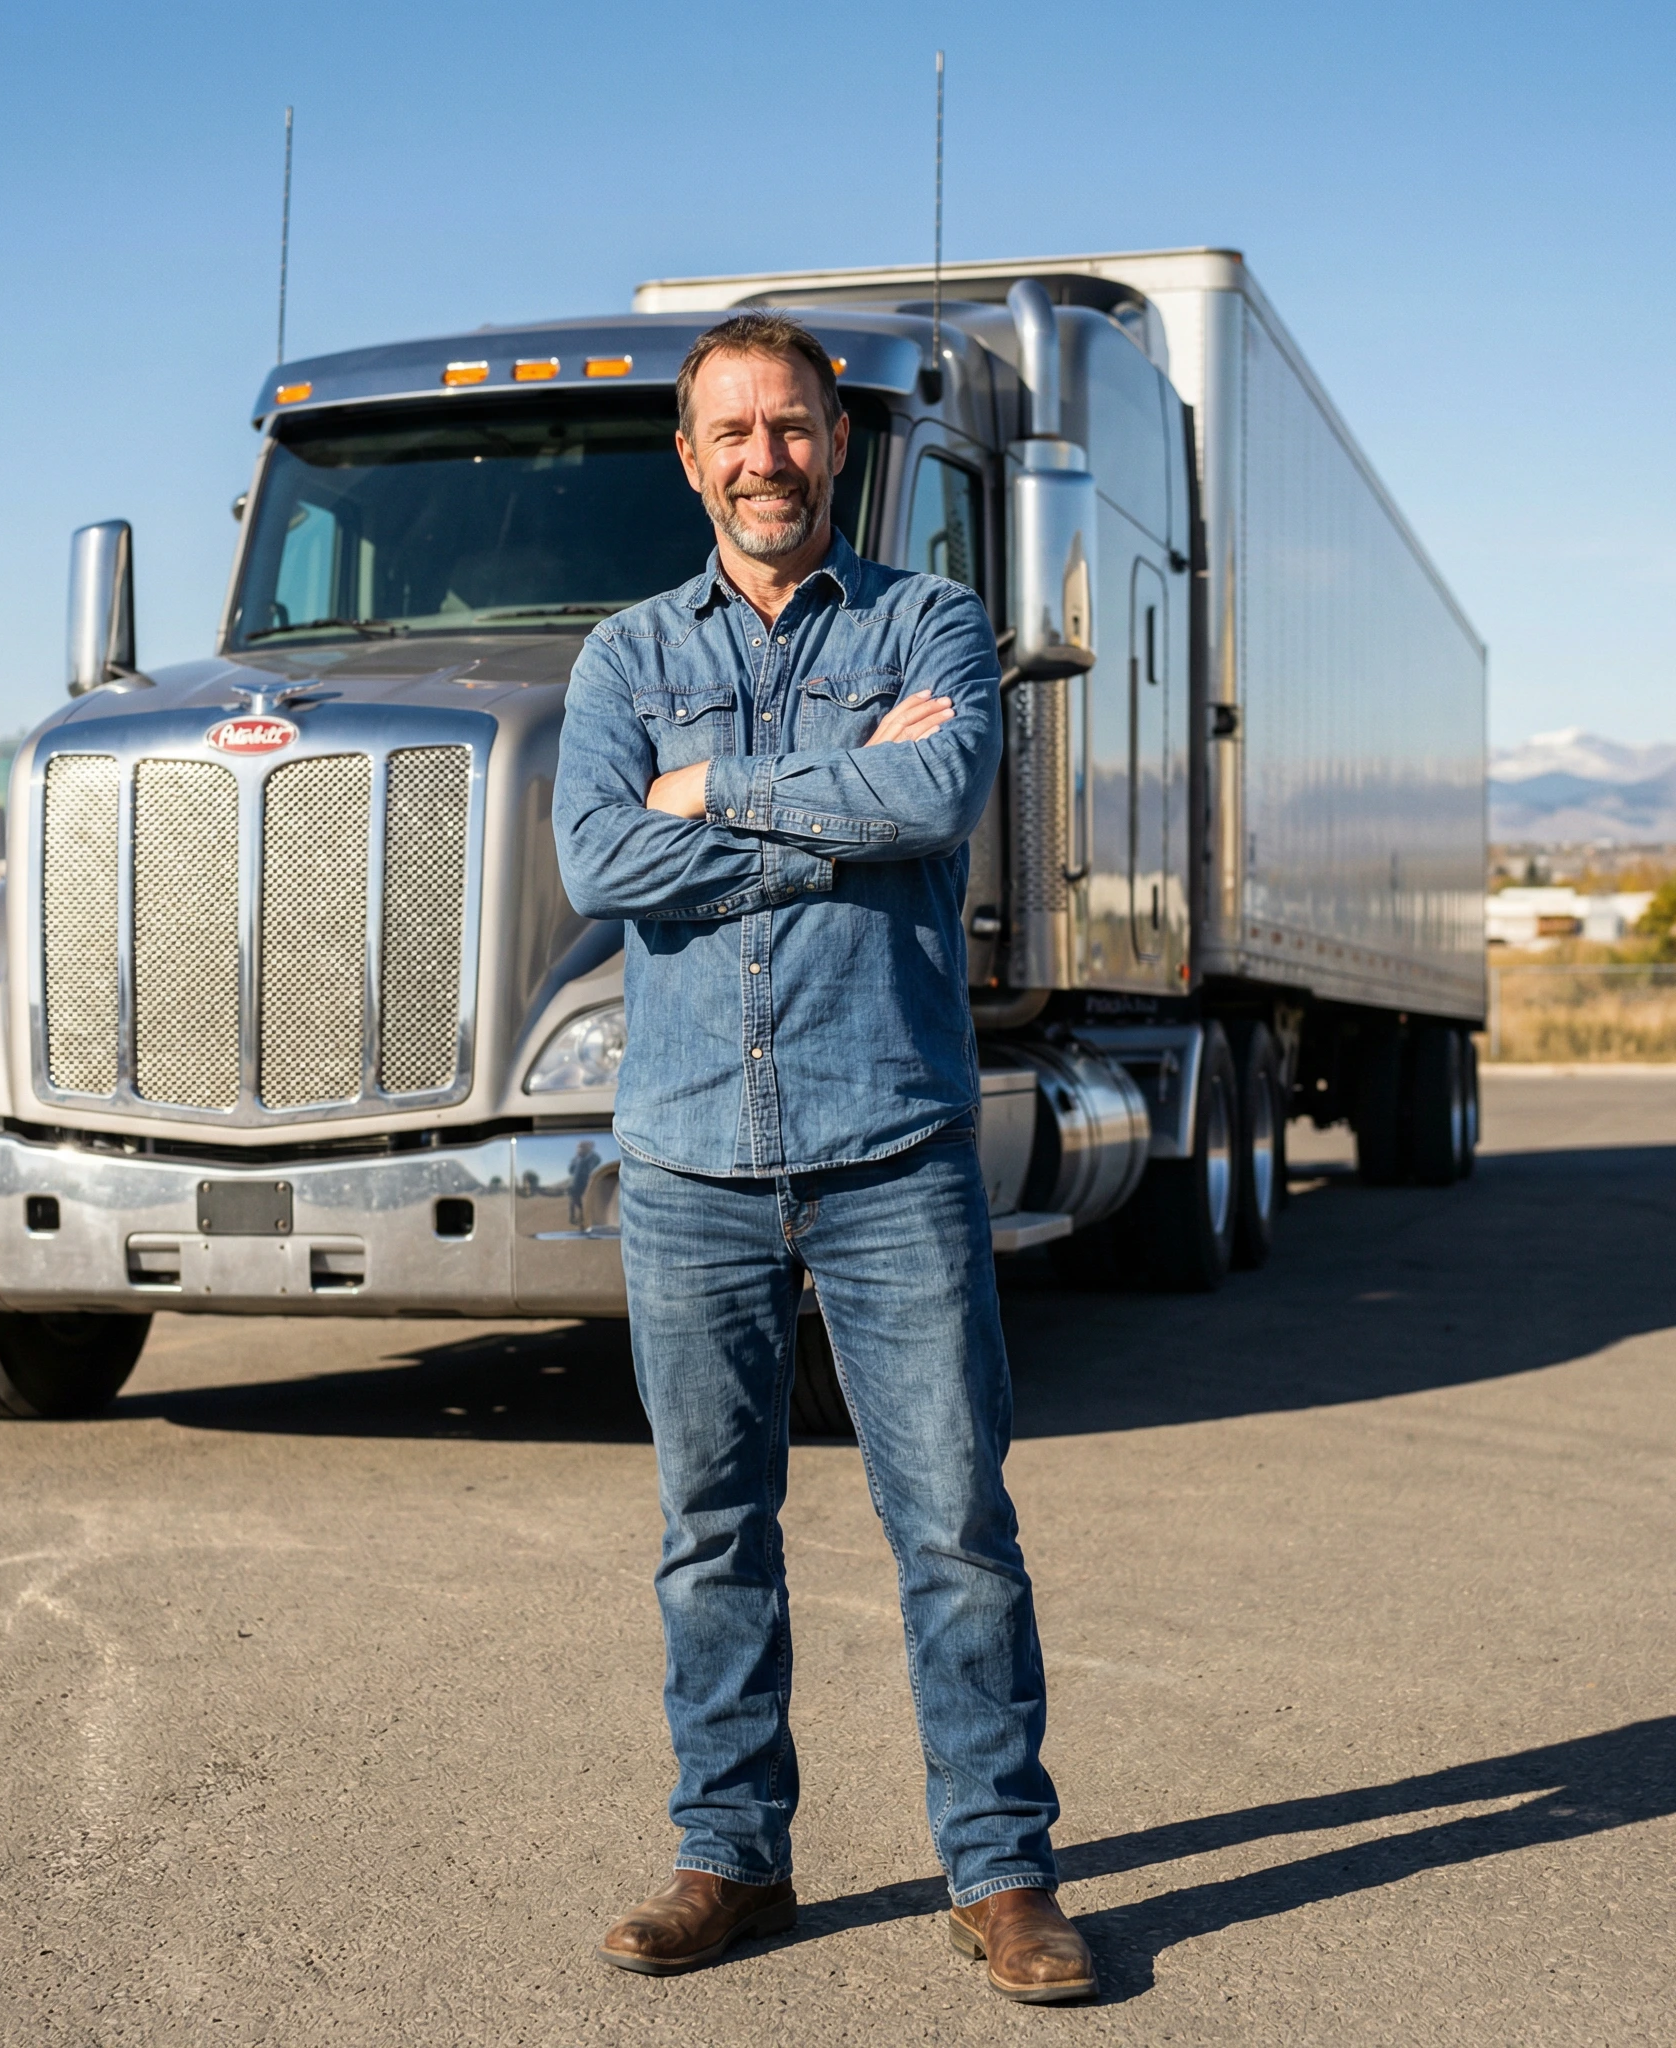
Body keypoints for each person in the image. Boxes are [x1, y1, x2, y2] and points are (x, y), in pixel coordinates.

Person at [552, 312, 1095, 2004]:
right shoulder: (624, 659)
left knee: (952, 1523)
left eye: (790, 427)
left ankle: (1001, 1875)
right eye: (731, 430)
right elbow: (597, 858)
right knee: (712, 1528)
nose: (762, 457)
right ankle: (732, 1854)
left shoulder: (931, 620)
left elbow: (931, 802)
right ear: (690, 454)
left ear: (838, 445)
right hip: (695, 1156)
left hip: (892, 1141)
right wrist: (818, 793)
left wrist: (710, 792)